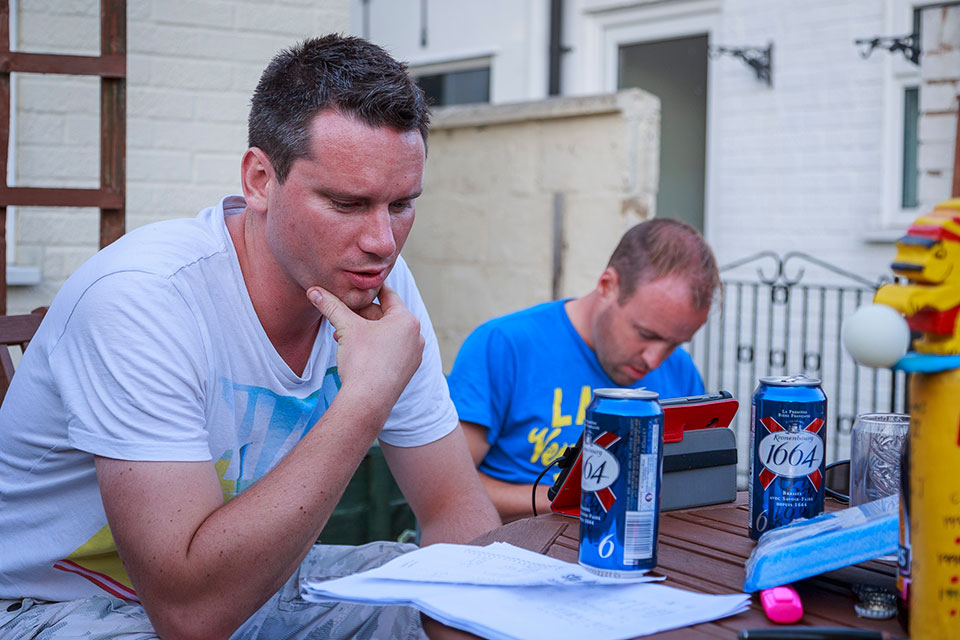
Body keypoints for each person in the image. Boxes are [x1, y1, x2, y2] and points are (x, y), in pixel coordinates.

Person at [0, 35, 500, 640]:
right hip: (50, 607)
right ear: (260, 180)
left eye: (401, 205)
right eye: (347, 203)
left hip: (253, 584)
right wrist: (365, 400)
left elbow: (456, 516)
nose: (381, 242)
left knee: (452, 591)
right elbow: (190, 619)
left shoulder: (379, 285)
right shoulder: (144, 298)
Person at [447, 219, 720, 522]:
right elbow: (446, 489)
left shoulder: (681, 370)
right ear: (607, 286)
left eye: (674, 343)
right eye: (646, 334)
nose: (655, 360)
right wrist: (575, 499)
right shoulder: (503, 345)